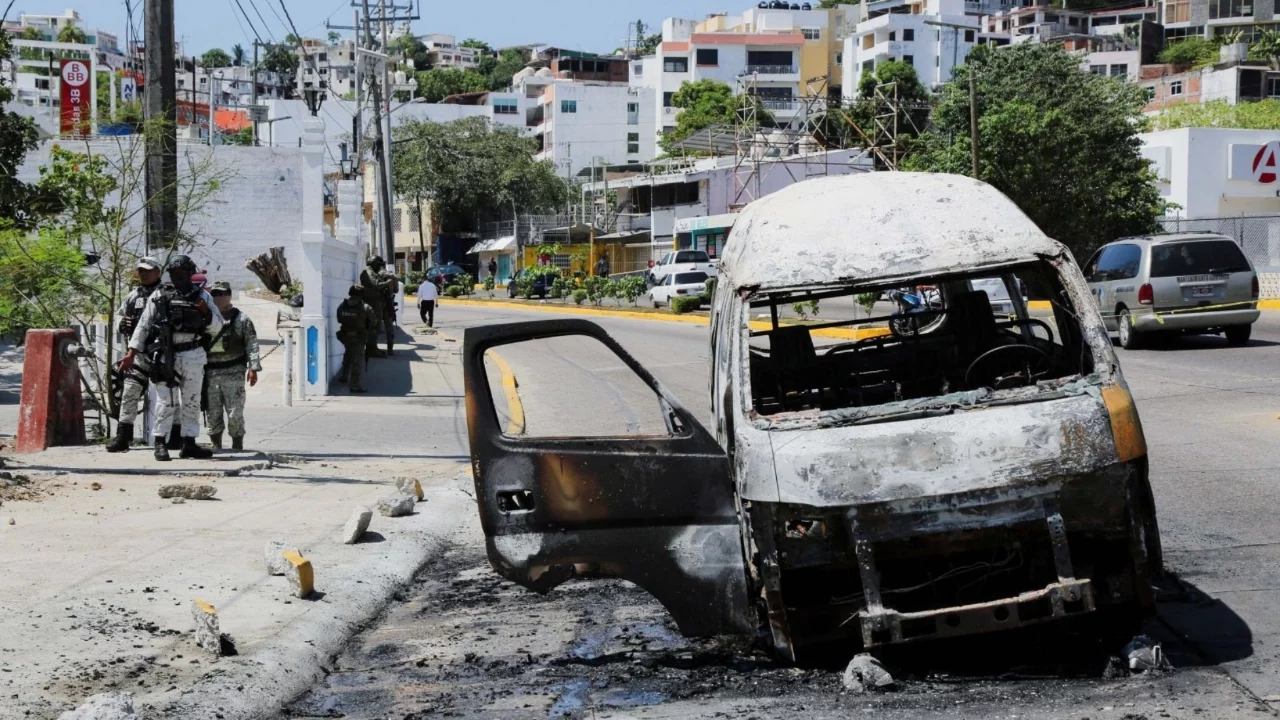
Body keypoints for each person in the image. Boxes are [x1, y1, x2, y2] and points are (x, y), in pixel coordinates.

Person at [119, 255, 224, 462]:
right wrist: (131, 353)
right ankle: (160, 442)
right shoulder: (160, 294)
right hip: (166, 354)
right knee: (164, 401)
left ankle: (189, 443)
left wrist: (205, 313)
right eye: (174, 274)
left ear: (190, 274)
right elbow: (144, 325)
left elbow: (218, 326)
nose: (178, 278)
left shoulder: (202, 296)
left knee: (191, 400)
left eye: (182, 274)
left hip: (193, 353)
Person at [105, 256, 164, 453]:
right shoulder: (132, 296)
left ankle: (174, 436)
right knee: (129, 392)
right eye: (140, 270)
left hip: (164, 355)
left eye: (148, 270)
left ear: (158, 271)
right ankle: (123, 436)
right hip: (138, 355)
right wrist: (122, 323)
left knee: (169, 396)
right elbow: (119, 317)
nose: (144, 274)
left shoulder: (168, 293)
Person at [202, 281, 261, 451]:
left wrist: (253, 368)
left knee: (235, 413)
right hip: (211, 372)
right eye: (215, 294)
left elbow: (252, 344)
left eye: (223, 293)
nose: (219, 297)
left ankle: (237, 445)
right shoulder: (205, 317)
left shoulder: (241, 319)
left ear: (229, 295)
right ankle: (216, 445)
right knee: (212, 413)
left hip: (234, 371)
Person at [335, 284, 377, 393]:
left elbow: (339, 319)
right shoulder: (365, 307)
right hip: (359, 336)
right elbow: (374, 322)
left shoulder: (343, 305)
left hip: (344, 336)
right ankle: (354, 385)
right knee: (357, 360)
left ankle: (344, 376)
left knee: (348, 354)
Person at [360, 256, 396, 358]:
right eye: (378, 265)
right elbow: (376, 284)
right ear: (374, 264)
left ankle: (373, 348)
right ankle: (371, 349)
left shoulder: (373, 272)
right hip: (373, 303)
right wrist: (387, 283)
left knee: (376, 326)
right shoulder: (368, 272)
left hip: (378, 302)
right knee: (374, 326)